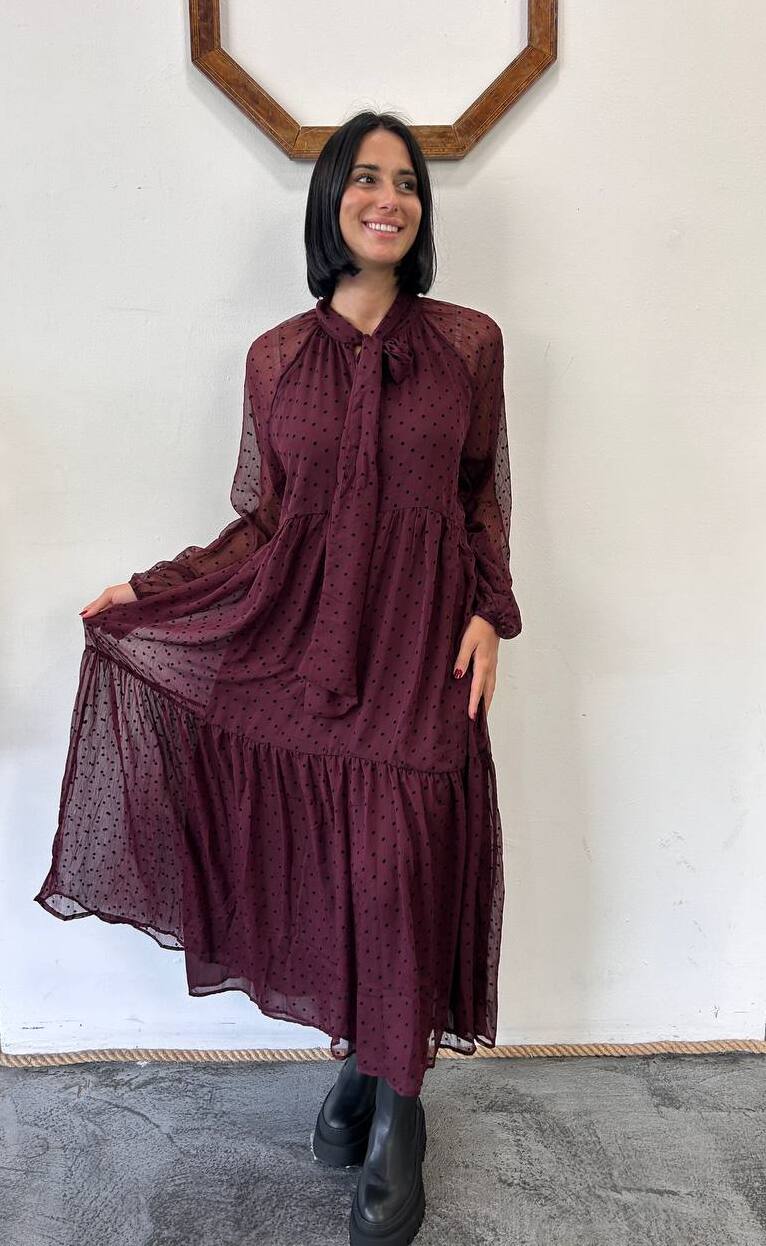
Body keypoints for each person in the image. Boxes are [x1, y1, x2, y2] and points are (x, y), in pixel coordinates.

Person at [34, 110, 522, 1245]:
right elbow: (262, 521)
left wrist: (492, 614)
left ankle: (398, 1115)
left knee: (402, 872)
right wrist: (149, 590)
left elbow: (480, 496)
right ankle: (365, 1071)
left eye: (407, 183)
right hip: (303, 649)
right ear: (330, 199)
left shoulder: (468, 343)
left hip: (420, 650)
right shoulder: (274, 358)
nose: (389, 199)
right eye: (367, 179)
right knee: (338, 874)